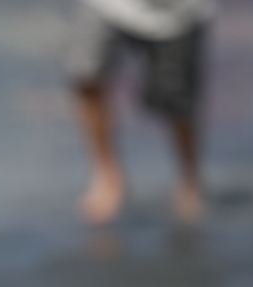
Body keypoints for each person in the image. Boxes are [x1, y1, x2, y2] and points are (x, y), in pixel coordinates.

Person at [64, 0, 215, 225]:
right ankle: (108, 176)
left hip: (178, 13)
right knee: (86, 73)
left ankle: (189, 178)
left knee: (178, 101)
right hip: (106, 6)